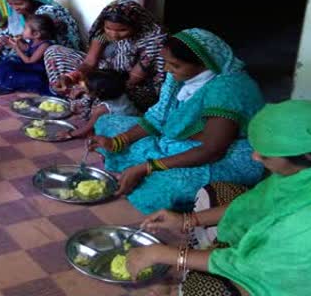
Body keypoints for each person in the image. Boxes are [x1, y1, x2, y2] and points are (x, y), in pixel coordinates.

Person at [125, 100, 311, 295]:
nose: (255, 157)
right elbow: (260, 201)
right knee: (216, 191)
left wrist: (167, 255)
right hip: (288, 248)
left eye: (265, 154)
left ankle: (196, 267)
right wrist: (187, 220)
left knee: (204, 290)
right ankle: (204, 252)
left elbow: (254, 269)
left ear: (307, 155)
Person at [89, 29, 265, 213]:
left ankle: (151, 176)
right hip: (178, 140)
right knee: (108, 123)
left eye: (175, 65)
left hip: (224, 157)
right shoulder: (179, 78)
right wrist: (118, 141)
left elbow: (211, 151)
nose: (167, 69)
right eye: (165, 62)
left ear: (204, 64)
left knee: (162, 187)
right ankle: (139, 166)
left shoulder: (227, 90)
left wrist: (146, 168)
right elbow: (157, 117)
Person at [45, 0, 166, 116]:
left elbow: (132, 80)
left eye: (122, 30)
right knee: (54, 51)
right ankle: (75, 95)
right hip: (103, 75)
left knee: (103, 105)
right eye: (108, 28)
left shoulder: (152, 41)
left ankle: (84, 102)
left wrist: (89, 88)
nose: (114, 35)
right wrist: (71, 77)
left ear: (136, 25)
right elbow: (89, 63)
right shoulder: (103, 33)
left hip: (130, 86)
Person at [0, 0, 85, 60]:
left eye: (19, 3)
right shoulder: (20, 12)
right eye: (11, 4)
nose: (15, 8)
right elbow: (11, 32)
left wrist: (13, 43)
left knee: (12, 56)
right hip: (32, 40)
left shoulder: (47, 12)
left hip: (54, 49)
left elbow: (40, 41)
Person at [68, 70, 140, 139]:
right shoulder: (121, 94)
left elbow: (87, 128)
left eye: (87, 87)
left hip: (121, 132)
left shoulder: (102, 109)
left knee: (96, 127)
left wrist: (70, 134)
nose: (82, 85)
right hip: (135, 125)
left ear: (97, 92)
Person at [0, 14, 55, 94]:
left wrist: (16, 47)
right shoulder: (34, 40)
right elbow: (27, 48)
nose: (22, 31)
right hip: (30, 68)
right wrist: (16, 42)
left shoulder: (45, 45)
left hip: (38, 72)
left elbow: (29, 61)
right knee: (5, 64)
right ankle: (9, 81)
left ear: (36, 34)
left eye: (25, 29)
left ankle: (10, 83)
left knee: (30, 78)